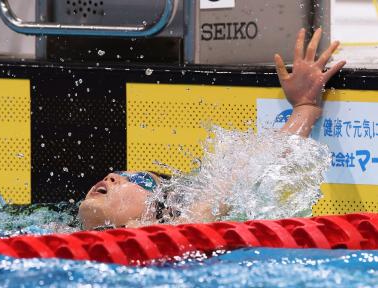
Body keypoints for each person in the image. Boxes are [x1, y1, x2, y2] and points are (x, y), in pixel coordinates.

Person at [78, 28, 347, 230]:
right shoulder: (54, 232)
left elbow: (250, 167)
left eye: (140, 180)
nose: (112, 176)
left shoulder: (187, 225)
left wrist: (304, 107)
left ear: (159, 211)